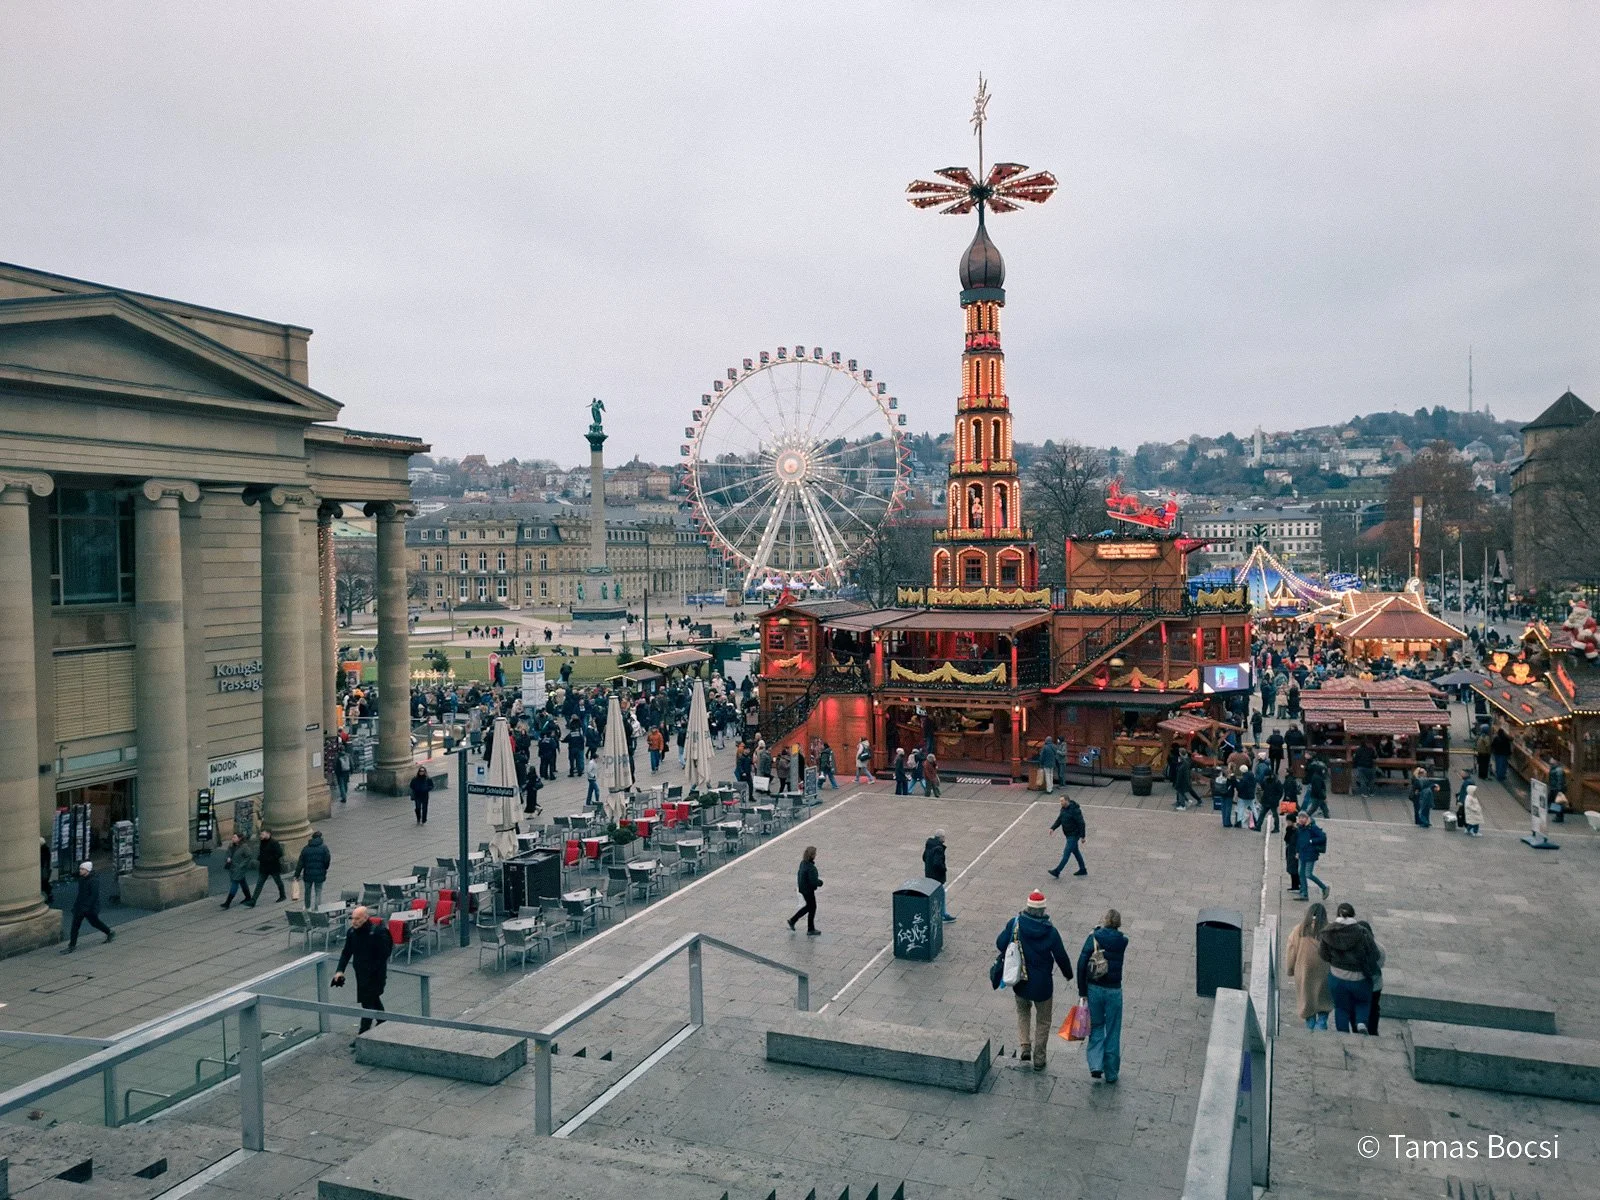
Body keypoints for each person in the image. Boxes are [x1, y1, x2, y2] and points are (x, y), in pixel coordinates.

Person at [995, 890, 1073, 1071]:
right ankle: (1039, 1058)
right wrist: (1068, 974)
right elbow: (1061, 956)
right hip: (1043, 985)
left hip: (1020, 981)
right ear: (1043, 909)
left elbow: (1000, 943)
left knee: (1023, 1013)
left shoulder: (1015, 924)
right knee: (1043, 1020)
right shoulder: (1051, 931)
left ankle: (1024, 1047)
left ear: (1027, 907)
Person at [1076, 908, 1127, 1083]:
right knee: (1113, 1030)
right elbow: (1116, 939)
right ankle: (1111, 1073)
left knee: (1097, 1026)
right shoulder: (1123, 941)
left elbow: (1082, 963)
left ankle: (1096, 1065)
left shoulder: (1094, 937)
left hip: (1095, 988)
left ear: (1104, 921)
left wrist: (1082, 991)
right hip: (1114, 991)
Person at [1318, 902, 1381, 1033]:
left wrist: (1334, 961)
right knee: (1362, 1002)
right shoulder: (1362, 933)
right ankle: (1361, 1023)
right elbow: (1375, 954)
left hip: (1337, 977)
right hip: (1359, 978)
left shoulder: (1327, 932)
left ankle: (1343, 1033)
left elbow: (1323, 955)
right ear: (1353, 915)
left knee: (1341, 1008)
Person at [332, 905, 393, 1042]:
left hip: (375, 975)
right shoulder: (352, 933)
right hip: (361, 975)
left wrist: (372, 968)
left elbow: (385, 953)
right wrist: (340, 970)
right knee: (373, 1000)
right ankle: (383, 1023)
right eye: (353, 918)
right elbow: (347, 952)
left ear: (366, 918)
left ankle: (362, 1035)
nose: (354, 921)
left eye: (357, 918)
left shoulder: (378, 932)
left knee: (367, 1004)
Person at [1286, 903, 1332, 1030]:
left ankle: (1310, 1026)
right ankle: (1321, 1024)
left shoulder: (1299, 930)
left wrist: (1290, 969)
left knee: (1307, 1000)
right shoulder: (1329, 932)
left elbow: (1291, 950)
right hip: (1324, 972)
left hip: (1304, 971)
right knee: (1323, 1000)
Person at [60, 862, 114, 954]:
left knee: (95, 923)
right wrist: (76, 906)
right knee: (75, 926)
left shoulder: (93, 881)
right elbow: (80, 894)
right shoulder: (82, 879)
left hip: (89, 908)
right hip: (80, 907)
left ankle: (109, 932)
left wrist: (86, 907)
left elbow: (93, 896)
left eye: (82, 869)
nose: (80, 871)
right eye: (80, 869)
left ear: (87, 870)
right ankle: (72, 945)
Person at [1047, 795, 1087, 878]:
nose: (1060, 803)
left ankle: (1057, 871)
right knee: (1076, 852)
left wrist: (1082, 836)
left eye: (1062, 801)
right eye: (1060, 801)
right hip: (1068, 834)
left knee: (1066, 853)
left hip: (1074, 835)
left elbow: (1081, 823)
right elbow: (1060, 819)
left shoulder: (1075, 810)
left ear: (1067, 801)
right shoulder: (1063, 809)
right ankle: (1083, 869)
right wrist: (1053, 828)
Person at [787, 846, 822, 935]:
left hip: (803, 888)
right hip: (808, 890)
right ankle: (810, 928)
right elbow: (813, 881)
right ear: (812, 855)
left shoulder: (803, 863)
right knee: (812, 907)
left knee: (809, 907)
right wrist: (820, 882)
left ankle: (793, 920)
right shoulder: (811, 868)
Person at [1295, 812, 1329, 901]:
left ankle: (1324, 887)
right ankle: (1304, 893)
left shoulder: (1313, 827)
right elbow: (1298, 840)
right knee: (1300, 872)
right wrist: (1297, 851)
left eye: (1303, 817)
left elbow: (1322, 837)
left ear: (1307, 818)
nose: (1301, 819)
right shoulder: (1300, 827)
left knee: (1308, 874)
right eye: (1300, 817)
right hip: (1302, 853)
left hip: (1310, 854)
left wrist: (1311, 841)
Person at [922, 829, 955, 921]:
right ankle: (943, 914)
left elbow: (924, 857)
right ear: (940, 838)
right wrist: (943, 868)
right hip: (936, 877)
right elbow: (937, 863)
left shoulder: (929, 845)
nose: (944, 838)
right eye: (943, 836)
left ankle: (937, 913)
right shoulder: (939, 849)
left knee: (933, 894)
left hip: (929, 874)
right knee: (941, 894)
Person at [296, 829, 331, 910]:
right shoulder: (324, 848)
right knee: (318, 891)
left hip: (308, 874)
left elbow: (300, 863)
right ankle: (317, 909)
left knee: (307, 892)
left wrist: (296, 874)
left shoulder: (306, 848)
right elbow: (327, 860)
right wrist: (325, 868)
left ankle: (307, 907)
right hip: (320, 873)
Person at [222, 833, 257, 909]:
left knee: (235, 883)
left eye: (234, 837)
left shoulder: (244, 847)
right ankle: (248, 897)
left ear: (239, 838)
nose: (232, 838)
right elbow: (227, 854)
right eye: (233, 837)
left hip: (239, 868)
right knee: (242, 881)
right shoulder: (231, 846)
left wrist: (242, 864)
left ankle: (228, 902)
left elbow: (249, 855)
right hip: (232, 868)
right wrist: (227, 858)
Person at [256, 830, 287, 903]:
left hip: (273, 867)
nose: (261, 835)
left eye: (263, 834)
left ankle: (282, 895)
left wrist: (270, 859)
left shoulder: (274, 842)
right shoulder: (262, 842)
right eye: (261, 834)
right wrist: (260, 857)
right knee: (259, 883)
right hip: (264, 867)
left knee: (278, 881)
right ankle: (253, 900)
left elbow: (280, 853)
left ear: (268, 834)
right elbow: (262, 852)